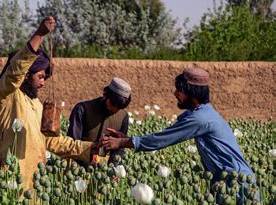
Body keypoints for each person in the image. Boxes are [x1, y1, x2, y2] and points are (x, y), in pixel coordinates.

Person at [0, 16, 94, 192]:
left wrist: (91, 147)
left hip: (34, 181)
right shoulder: (6, 95)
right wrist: (40, 34)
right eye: (40, 77)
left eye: (45, 78)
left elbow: (52, 141)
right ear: (26, 75)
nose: (43, 82)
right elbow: (16, 70)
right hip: (9, 179)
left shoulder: (36, 104)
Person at [101, 68, 254, 182]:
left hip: (238, 183)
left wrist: (121, 142)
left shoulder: (201, 119)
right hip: (224, 182)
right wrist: (128, 139)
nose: (175, 94)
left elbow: (162, 140)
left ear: (192, 93)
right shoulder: (199, 114)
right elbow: (163, 134)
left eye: (179, 90)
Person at [67, 77, 131, 164]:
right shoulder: (82, 110)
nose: (115, 110)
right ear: (105, 95)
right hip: (78, 166)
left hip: (104, 171)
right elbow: (72, 143)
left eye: (119, 107)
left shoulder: (123, 117)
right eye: (113, 104)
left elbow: (118, 149)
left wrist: (115, 168)